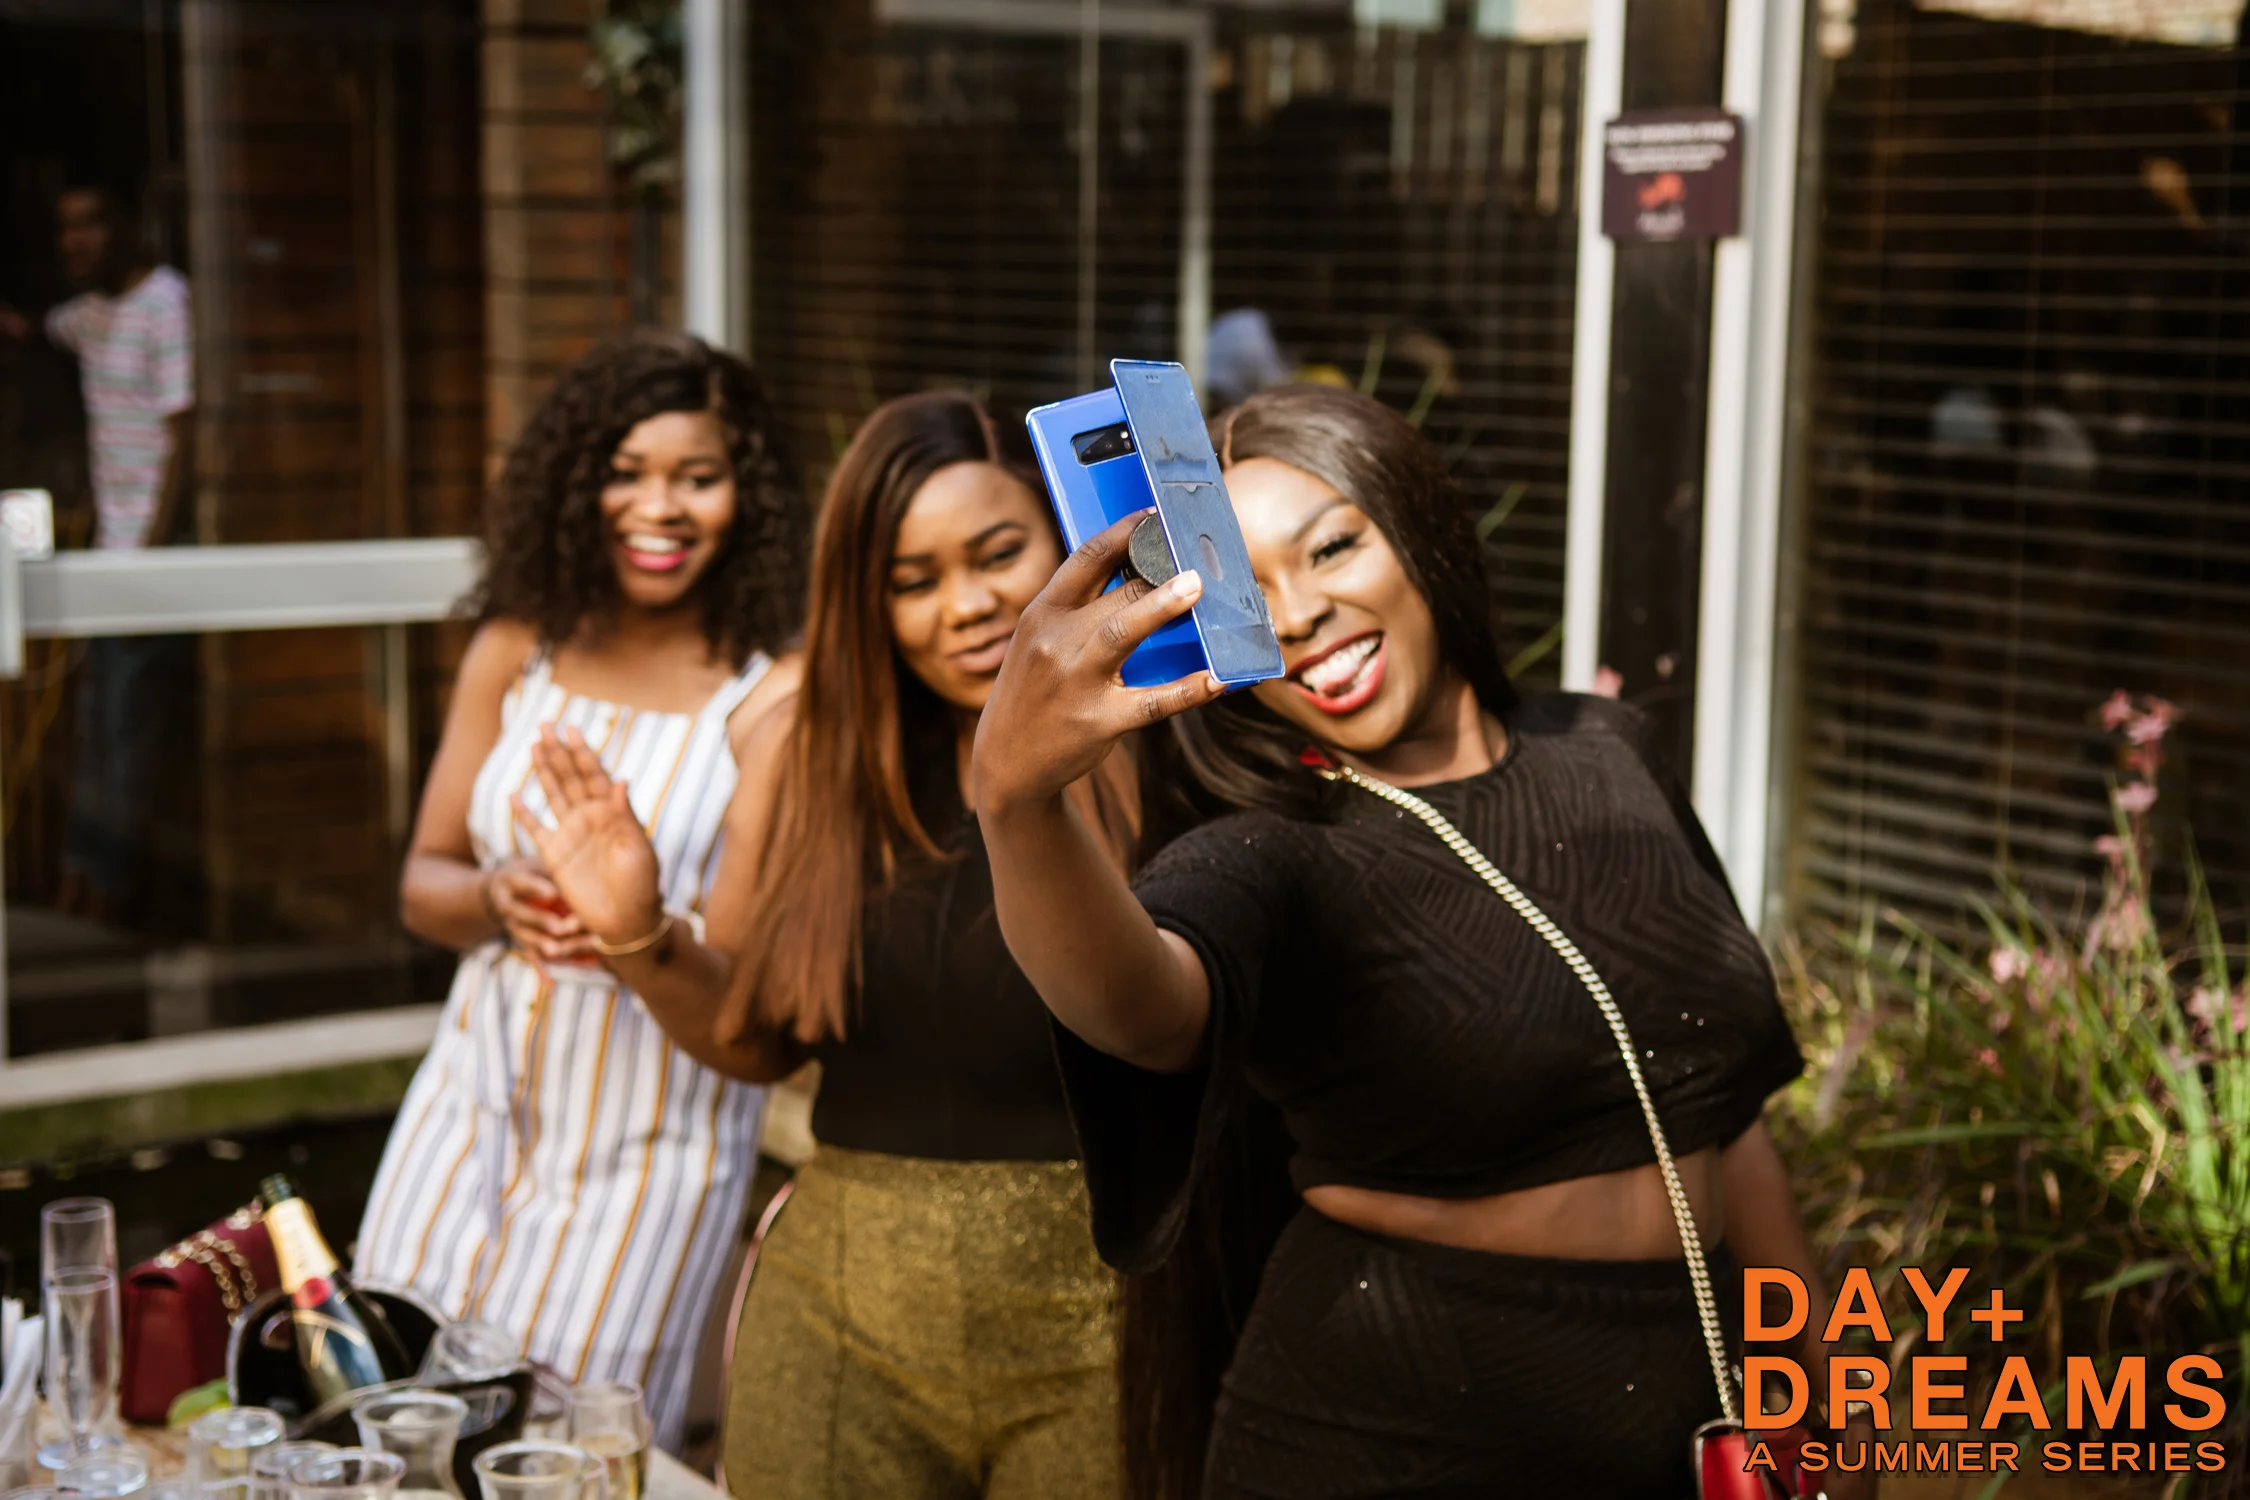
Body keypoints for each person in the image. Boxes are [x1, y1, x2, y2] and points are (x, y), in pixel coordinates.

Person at [971, 386, 1875, 1498]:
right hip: (1383, 1439)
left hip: (1685, 1411)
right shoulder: (1271, 849)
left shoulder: (1609, 749)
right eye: (1247, 586)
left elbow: (1725, 1120)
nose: (1298, 613)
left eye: (1332, 547)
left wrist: (1829, 1390)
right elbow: (1142, 1010)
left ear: (1421, 527)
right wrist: (1016, 804)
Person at [520, 391, 1130, 1499]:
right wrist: (636, 933)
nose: (968, 606)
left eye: (1001, 554)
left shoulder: (1169, 736)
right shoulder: (808, 755)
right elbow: (752, 1039)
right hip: (843, 1321)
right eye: (912, 580)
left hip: (1116, 1316)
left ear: (1068, 541)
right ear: (866, 601)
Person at [351, 331, 808, 1453]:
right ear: (575, 483)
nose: (659, 508)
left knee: (571, 1460)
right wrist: (498, 898)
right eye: (626, 471)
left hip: (653, 1155)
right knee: (386, 1425)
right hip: (464, 1120)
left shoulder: (775, 692)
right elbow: (423, 885)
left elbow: (751, 990)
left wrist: (635, 924)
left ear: (747, 497)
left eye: (697, 477)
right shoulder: (522, 645)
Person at [0, 182, 195, 925]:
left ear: (129, 225)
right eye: (65, 227)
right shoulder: (87, 316)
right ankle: (79, 880)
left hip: (146, 556)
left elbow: (186, 435)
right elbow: (35, 330)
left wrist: (147, 557)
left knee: (125, 729)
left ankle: (104, 897)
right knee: (94, 728)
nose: (75, 241)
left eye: (91, 223)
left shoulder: (165, 302)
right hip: (108, 553)